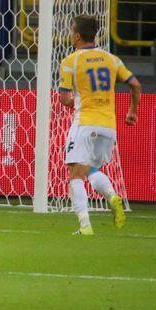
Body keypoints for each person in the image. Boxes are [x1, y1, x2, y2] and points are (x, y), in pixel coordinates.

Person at [57, 15, 140, 236]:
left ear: (77, 35)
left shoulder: (70, 61)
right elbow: (135, 85)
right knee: (89, 169)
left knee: (75, 173)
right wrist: (132, 111)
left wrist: (76, 101)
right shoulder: (112, 59)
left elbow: (64, 99)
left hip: (85, 123)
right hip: (108, 126)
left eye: (71, 32)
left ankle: (85, 226)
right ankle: (111, 196)